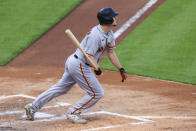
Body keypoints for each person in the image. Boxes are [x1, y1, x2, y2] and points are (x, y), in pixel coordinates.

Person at [24, 7, 127, 124]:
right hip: (80, 64)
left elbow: (111, 52)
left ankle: (33, 107)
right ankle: (74, 112)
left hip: (77, 62)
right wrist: (96, 68)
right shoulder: (95, 35)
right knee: (97, 93)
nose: (115, 18)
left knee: (61, 88)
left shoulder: (109, 34)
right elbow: (89, 56)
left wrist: (120, 68)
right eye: (113, 16)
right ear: (108, 20)